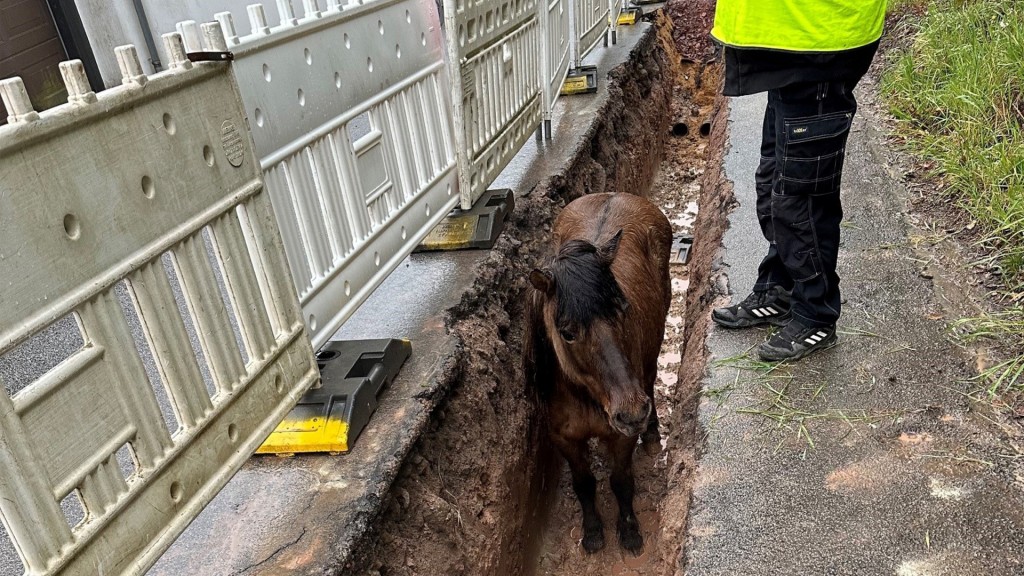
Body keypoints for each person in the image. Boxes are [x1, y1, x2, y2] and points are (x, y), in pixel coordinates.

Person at [708, 0, 887, 361]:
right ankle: (782, 286)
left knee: (801, 196)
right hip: (792, 40)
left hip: (819, 42)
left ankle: (815, 313)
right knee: (776, 179)